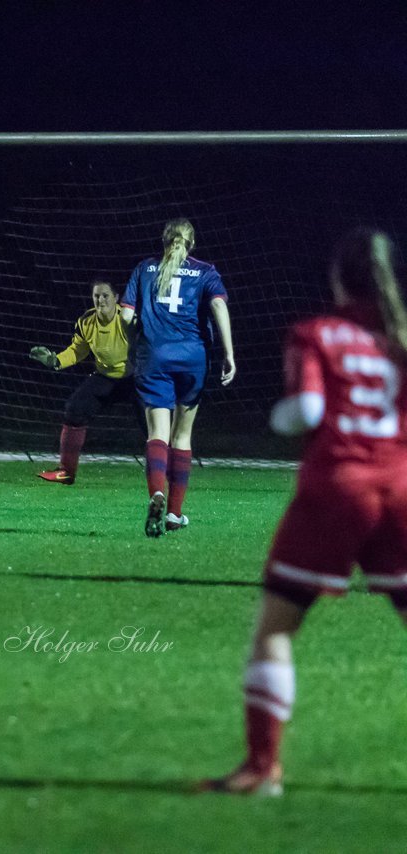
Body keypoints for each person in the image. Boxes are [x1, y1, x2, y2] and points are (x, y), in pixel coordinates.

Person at [201, 228, 407, 796]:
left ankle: (261, 769)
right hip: (401, 490)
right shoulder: (401, 339)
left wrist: (279, 418)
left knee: (277, 628)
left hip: (336, 490)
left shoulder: (316, 334)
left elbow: (308, 409)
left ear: (339, 277)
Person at [120, 218, 236, 537]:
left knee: (158, 432)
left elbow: (127, 315)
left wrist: (134, 343)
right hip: (193, 359)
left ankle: (156, 493)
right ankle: (173, 514)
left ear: (164, 241)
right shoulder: (205, 271)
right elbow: (218, 305)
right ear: (192, 244)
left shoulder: (145, 269)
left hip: (154, 356)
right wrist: (228, 353)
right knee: (182, 437)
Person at [29, 278, 136, 484]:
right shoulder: (86, 321)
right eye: (96, 296)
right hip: (105, 377)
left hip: (133, 378)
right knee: (74, 409)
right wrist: (55, 360)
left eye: (105, 295)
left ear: (116, 298)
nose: (100, 300)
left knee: (154, 423)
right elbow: (78, 350)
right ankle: (66, 472)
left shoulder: (128, 319)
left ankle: (166, 472)